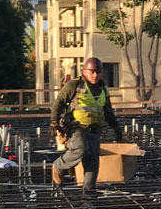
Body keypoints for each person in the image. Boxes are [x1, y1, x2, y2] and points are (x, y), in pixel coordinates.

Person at [50, 56, 122, 193]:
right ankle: (58, 166)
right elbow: (59, 102)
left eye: (98, 72)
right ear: (84, 72)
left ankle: (89, 192)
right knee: (80, 148)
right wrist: (54, 122)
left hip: (94, 128)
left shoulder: (103, 89)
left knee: (92, 160)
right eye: (92, 72)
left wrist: (116, 128)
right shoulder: (74, 86)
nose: (95, 75)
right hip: (76, 126)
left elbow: (108, 110)